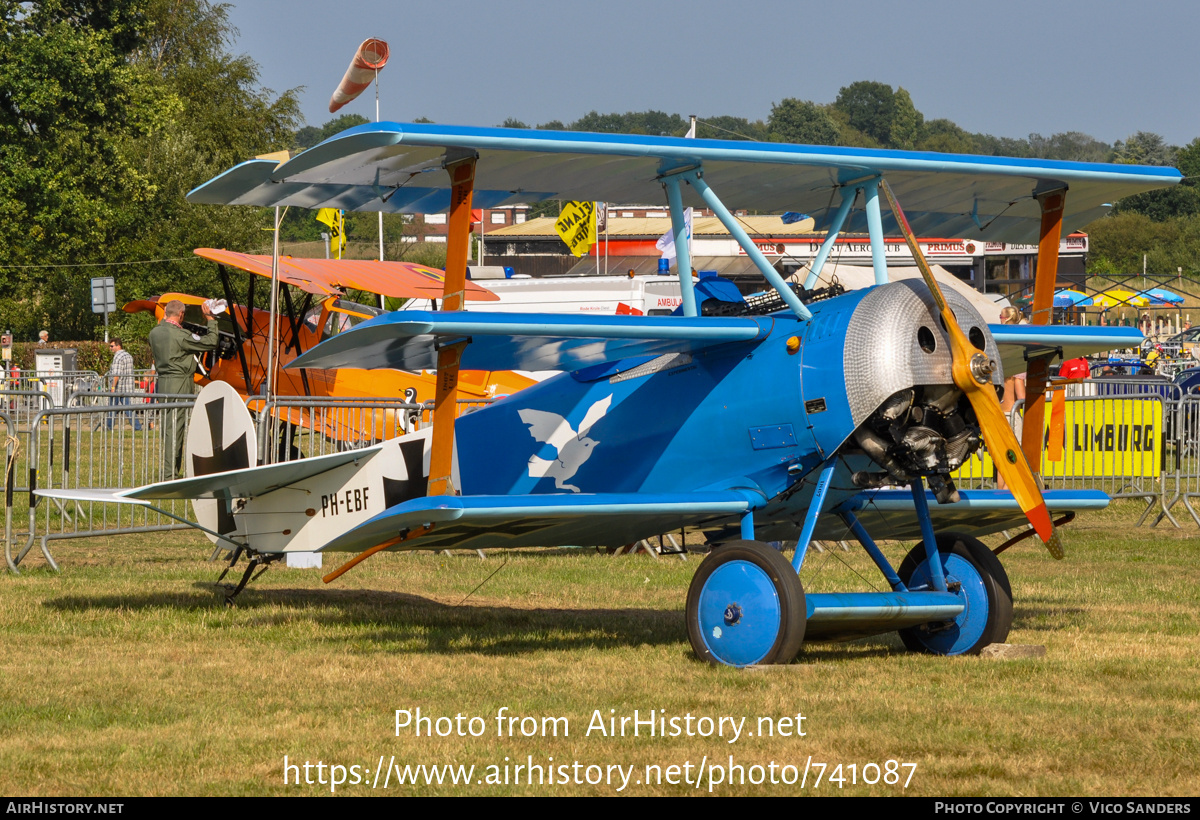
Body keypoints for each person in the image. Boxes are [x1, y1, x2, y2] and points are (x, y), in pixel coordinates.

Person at [149, 300, 218, 479]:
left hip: (163, 383)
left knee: (169, 428)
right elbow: (211, 341)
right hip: (179, 384)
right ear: (180, 314)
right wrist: (210, 319)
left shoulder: (154, 333)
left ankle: (171, 470)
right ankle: (170, 474)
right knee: (175, 429)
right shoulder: (180, 335)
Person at [997, 307, 1026, 490]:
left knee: (1001, 457)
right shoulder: (1017, 361)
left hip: (998, 414)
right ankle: (1009, 492)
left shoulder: (998, 357)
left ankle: (1000, 492)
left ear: (1005, 319)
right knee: (1014, 455)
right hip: (1011, 413)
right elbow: (1021, 396)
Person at [105, 338, 141, 431]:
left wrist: (113, 387)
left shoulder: (118, 356)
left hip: (118, 388)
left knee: (112, 409)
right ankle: (137, 427)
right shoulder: (128, 355)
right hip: (127, 387)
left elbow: (116, 374)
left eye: (112, 346)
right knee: (128, 409)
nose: (110, 348)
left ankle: (109, 427)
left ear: (118, 346)